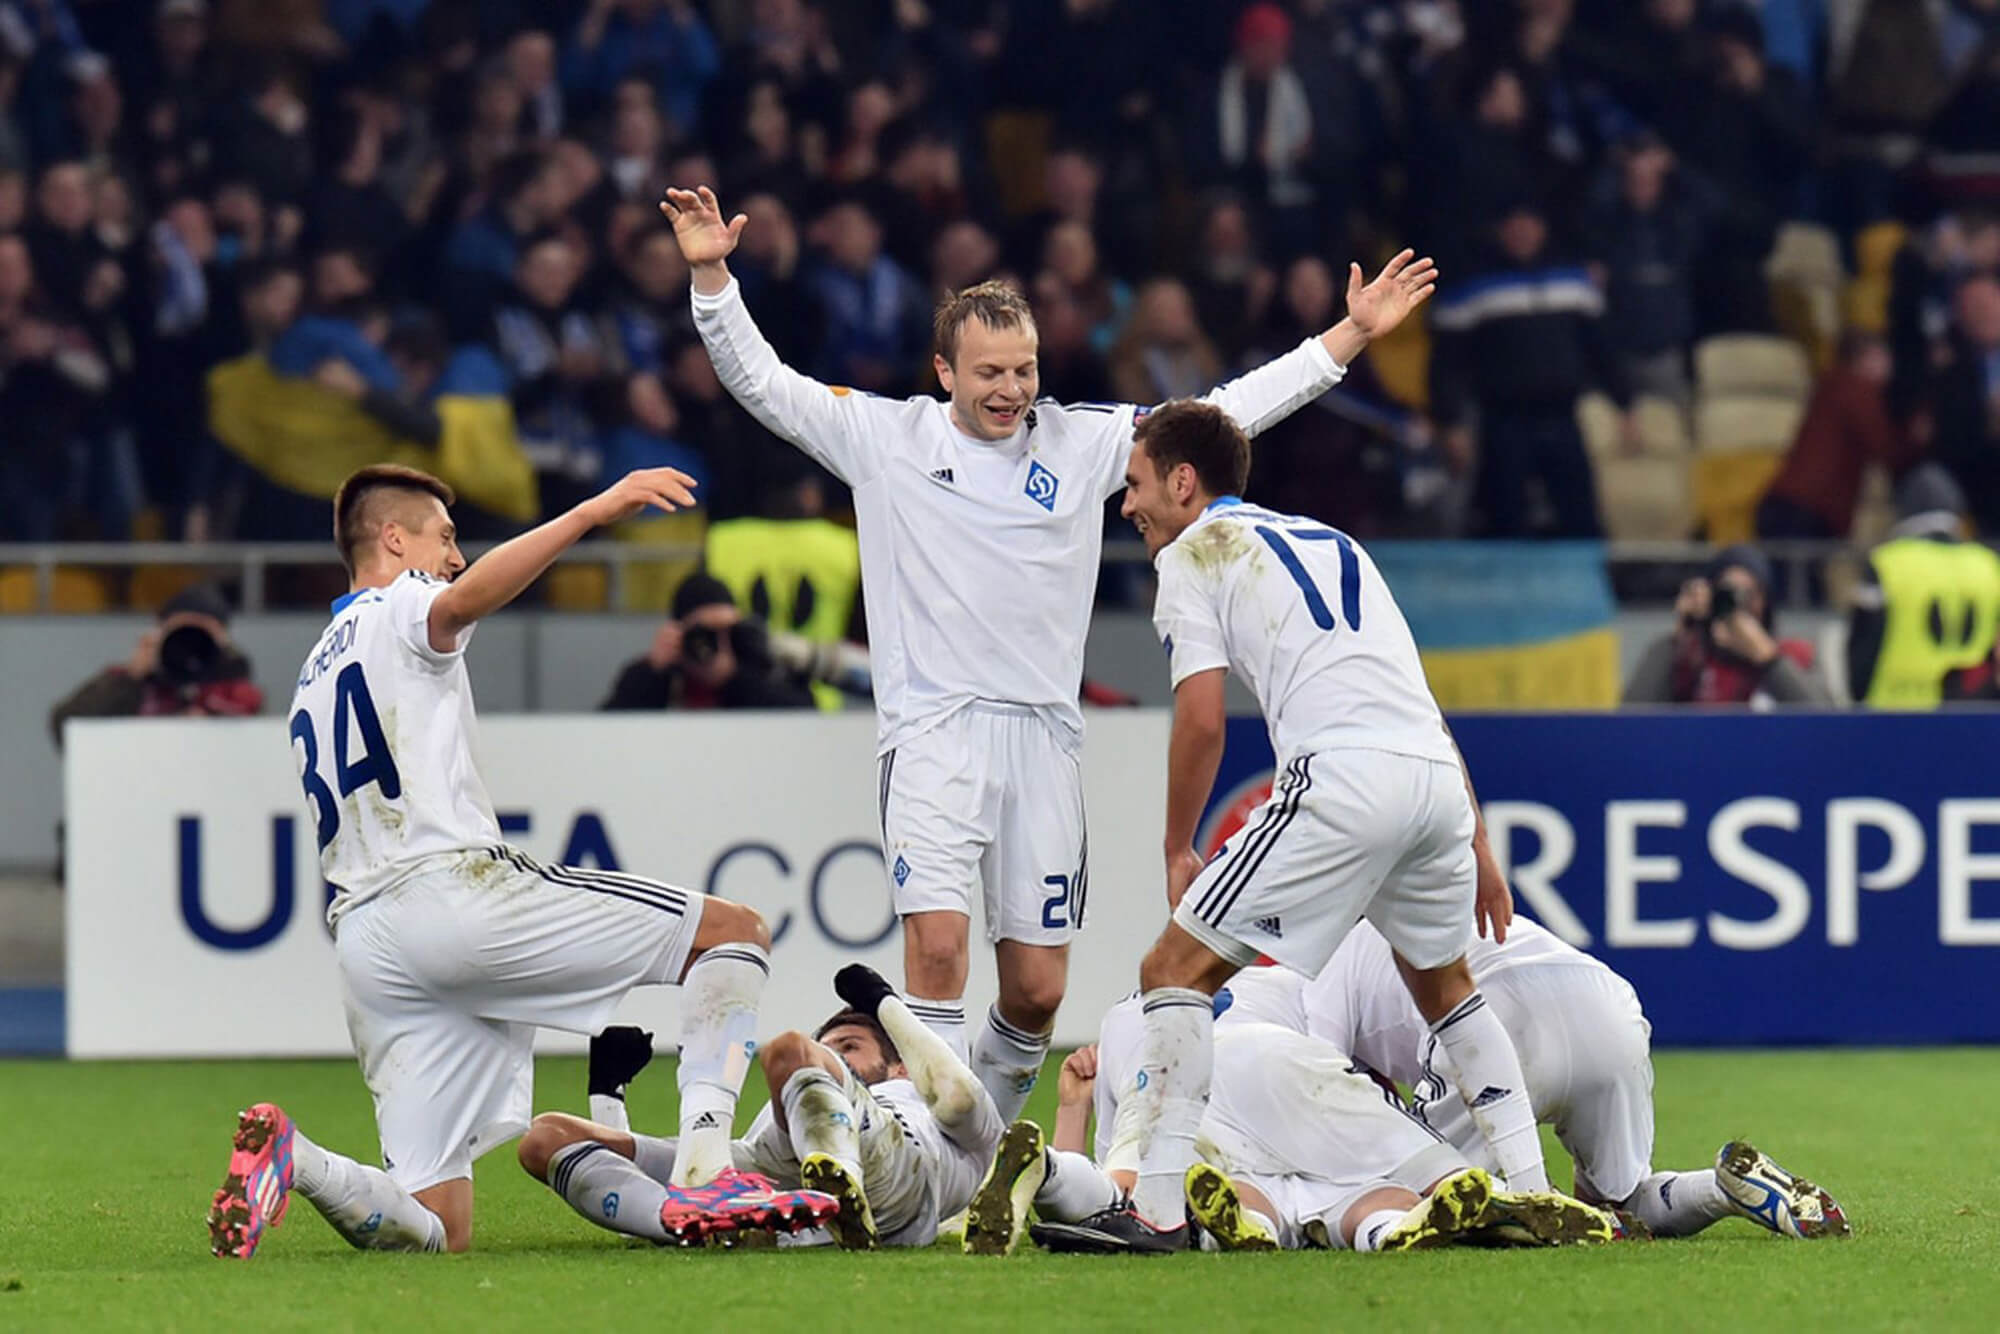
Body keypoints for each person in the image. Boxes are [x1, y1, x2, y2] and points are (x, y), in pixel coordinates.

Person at [662, 181, 1437, 1129]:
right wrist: (712, 277)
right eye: (989, 371)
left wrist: (1347, 337)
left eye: (1024, 369)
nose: (1010, 389)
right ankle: (927, 1153)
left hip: (1044, 742)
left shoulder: (1083, 442)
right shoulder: (883, 437)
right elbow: (763, 383)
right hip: (935, 735)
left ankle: (975, 1147)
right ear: (942, 371)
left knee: (1033, 994)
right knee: (939, 955)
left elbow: (1224, 414)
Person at [206, 462, 836, 1259]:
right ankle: (710, 1170)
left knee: (438, 1224)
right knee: (733, 932)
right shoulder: (397, 605)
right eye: (444, 537)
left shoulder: (311, 673)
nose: (456, 556)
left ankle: (300, 1161)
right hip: (450, 893)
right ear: (393, 539)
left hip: (366, 944)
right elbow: (462, 601)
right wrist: (593, 512)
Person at [1091, 398, 1544, 1252]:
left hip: (1340, 780)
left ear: (1184, 482)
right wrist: (1478, 840)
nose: (1128, 505)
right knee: (1445, 987)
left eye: (1137, 483)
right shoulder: (1339, 544)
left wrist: (1177, 843)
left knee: (1170, 969)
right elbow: (1422, 702)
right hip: (1432, 782)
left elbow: (1200, 716)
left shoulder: (1196, 551)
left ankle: (1153, 1211)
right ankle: (1533, 1190)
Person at [971, 970, 1614, 1257]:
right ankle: (1477, 1202)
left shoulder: (1125, 1013)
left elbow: (1124, 1189)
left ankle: (1051, 1173)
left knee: (1261, 1201)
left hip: (1185, 1102)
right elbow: (1340, 1062)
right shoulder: (1289, 982)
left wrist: (1071, 1113)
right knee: (1381, 1178)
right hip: (1271, 1060)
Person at [1306, 918, 1851, 1242]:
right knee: (1624, 1201)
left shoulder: (1323, 970)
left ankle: (1574, 1226)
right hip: (1606, 1004)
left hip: (1490, 1021)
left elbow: (1324, 1085)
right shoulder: (1429, 901)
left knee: (1442, 1206)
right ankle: (1723, 1191)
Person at [517, 964, 1002, 1250]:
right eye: (830, 1049)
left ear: (901, 1067)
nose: (834, 1055)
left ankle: (840, 1178)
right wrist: (608, 1094)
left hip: (888, 1175)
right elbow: (626, 1195)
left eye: (849, 1047)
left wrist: (883, 1004)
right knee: (545, 1137)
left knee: (787, 1049)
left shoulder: (922, 1102)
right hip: (776, 1177)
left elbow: (958, 1094)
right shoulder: (786, 1106)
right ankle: (677, 1220)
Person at [1849, 467, 2000, 709]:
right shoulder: (1990, 566)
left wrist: (1857, 696)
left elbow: (1864, 647)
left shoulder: (1886, 563)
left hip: (1895, 715)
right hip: (1973, 715)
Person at [48, 585, 262, 746]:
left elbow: (252, 735)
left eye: (201, 636)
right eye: (181, 634)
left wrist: (224, 666)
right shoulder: (129, 681)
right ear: (159, 632)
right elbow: (66, 729)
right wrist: (130, 678)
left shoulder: (235, 689)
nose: (189, 646)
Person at [1622, 544, 1834, 706]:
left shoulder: (1795, 655)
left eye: (1750, 594)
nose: (1738, 606)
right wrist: (1679, 637)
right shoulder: (1689, 660)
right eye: (1727, 593)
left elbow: (1831, 726)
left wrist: (1769, 660)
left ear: (1767, 602)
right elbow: (1631, 720)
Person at [600, 571, 819, 710]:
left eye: (726, 631)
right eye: (705, 633)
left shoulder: (764, 668)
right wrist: (652, 674)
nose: (717, 645)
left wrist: (733, 679)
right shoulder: (656, 676)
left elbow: (804, 718)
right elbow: (610, 730)